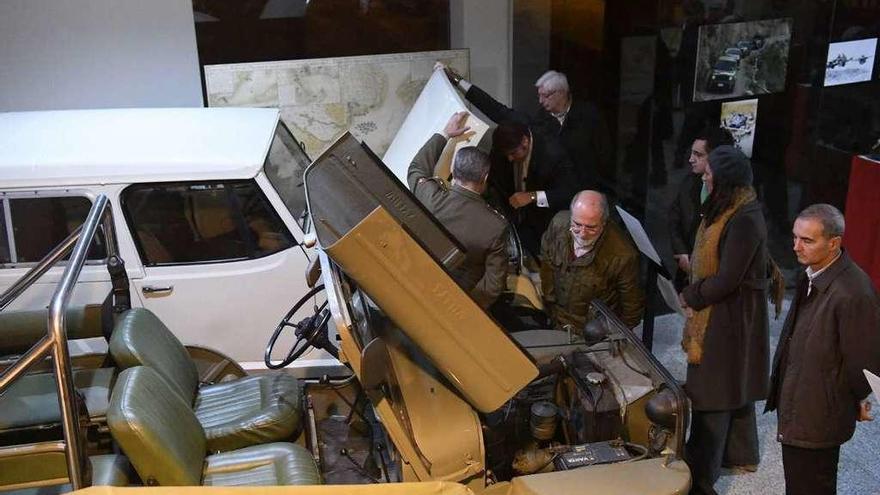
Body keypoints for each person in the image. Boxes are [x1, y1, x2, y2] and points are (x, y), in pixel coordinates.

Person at [765, 204, 880, 495]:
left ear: (834, 244)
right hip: (803, 406)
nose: (796, 247)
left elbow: (865, 362)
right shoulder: (813, 272)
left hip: (818, 416)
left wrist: (860, 399)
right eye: (795, 237)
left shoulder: (853, 292)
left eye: (807, 240)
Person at [678, 145, 772, 495]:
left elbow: (729, 278)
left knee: (713, 391)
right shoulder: (728, 206)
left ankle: (702, 474)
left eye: (709, 175)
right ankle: (739, 454)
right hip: (729, 312)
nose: (703, 178)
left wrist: (691, 295)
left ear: (726, 181)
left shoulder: (745, 218)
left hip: (728, 317)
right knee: (735, 383)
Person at [436, 63, 578, 258]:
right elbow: (492, 106)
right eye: (506, 155)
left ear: (525, 143)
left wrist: (533, 196)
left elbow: (569, 191)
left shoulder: (553, 154)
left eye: (513, 154)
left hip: (541, 218)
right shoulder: (513, 126)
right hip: (510, 209)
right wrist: (457, 80)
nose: (510, 159)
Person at [408, 111, 510, 309]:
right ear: (486, 177)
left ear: (453, 171)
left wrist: (445, 134)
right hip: (457, 304)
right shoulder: (496, 227)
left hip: (418, 291)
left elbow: (416, 168)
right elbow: (493, 285)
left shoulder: (430, 197)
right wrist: (464, 309)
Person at [540, 190, 644, 330]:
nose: (582, 234)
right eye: (577, 224)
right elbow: (547, 262)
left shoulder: (623, 256)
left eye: (591, 227)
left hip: (589, 331)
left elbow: (632, 310)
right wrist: (549, 300)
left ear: (604, 223)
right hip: (554, 315)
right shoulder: (558, 223)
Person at [668, 126, 734, 290]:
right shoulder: (690, 181)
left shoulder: (735, 199)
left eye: (698, 155)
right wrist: (682, 254)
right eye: (692, 153)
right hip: (686, 277)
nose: (690, 159)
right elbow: (674, 218)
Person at [532, 70, 612, 193]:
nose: (540, 101)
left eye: (546, 96)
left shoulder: (589, 115)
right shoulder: (540, 118)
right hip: (554, 190)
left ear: (561, 93)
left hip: (586, 187)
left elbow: (603, 151)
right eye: (539, 96)